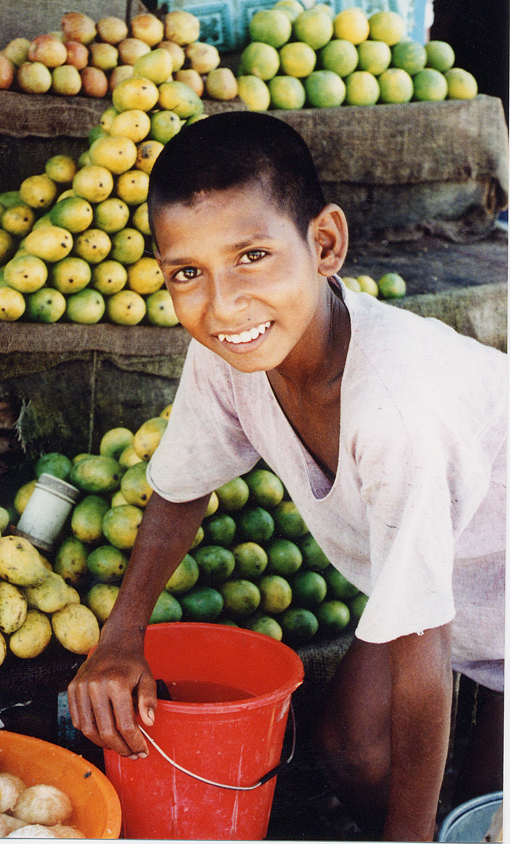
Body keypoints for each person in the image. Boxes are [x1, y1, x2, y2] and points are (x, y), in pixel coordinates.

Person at [67, 111, 505, 842]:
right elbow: (179, 491)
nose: (223, 304)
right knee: (350, 748)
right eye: (187, 274)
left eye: (252, 256)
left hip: (485, 580)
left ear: (325, 243)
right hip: (449, 576)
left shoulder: (397, 410)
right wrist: (120, 638)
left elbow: (423, 649)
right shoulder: (230, 355)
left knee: (488, 817)